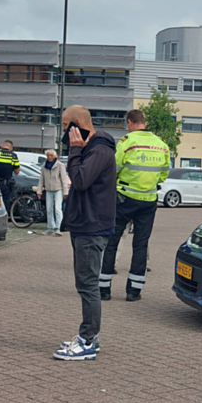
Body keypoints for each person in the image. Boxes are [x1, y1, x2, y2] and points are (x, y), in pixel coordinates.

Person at [53, 105, 117, 361]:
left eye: (65, 124)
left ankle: (88, 339)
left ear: (77, 124)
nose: (63, 130)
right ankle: (90, 337)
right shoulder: (93, 149)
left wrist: (75, 151)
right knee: (84, 283)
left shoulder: (99, 149)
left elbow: (79, 180)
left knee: (88, 284)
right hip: (84, 224)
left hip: (93, 226)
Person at [99, 109, 170, 302]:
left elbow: (115, 169)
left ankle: (104, 289)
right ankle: (134, 291)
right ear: (144, 122)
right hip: (148, 201)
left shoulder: (127, 142)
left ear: (130, 122)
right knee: (140, 244)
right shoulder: (162, 145)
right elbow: (164, 174)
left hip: (124, 198)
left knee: (111, 242)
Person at [37, 149, 68, 236]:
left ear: (55, 156)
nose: (49, 157)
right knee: (49, 209)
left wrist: (65, 192)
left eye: (51, 155)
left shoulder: (60, 165)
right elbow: (41, 179)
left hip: (58, 189)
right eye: (48, 155)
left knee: (58, 209)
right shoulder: (44, 166)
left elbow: (63, 179)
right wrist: (39, 191)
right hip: (48, 189)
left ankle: (58, 228)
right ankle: (50, 227)